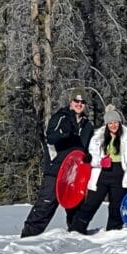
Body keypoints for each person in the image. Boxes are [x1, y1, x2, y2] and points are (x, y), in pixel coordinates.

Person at [21, 88, 94, 238]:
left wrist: (89, 157)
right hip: (56, 169)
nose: (79, 104)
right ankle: (28, 237)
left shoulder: (88, 125)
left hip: (75, 174)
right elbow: (50, 138)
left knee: (76, 204)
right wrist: (63, 133)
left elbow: (90, 147)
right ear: (71, 102)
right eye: (76, 101)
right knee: (46, 204)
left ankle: (76, 236)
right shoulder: (62, 117)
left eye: (82, 102)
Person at [69, 105, 127, 235]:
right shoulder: (97, 137)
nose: (113, 125)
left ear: (119, 123)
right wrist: (100, 162)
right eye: (110, 123)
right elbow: (92, 158)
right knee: (91, 204)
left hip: (120, 174)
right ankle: (76, 229)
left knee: (116, 206)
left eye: (115, 122)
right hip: (102, 174)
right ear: (106, 124)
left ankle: (113, 232)